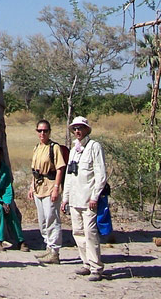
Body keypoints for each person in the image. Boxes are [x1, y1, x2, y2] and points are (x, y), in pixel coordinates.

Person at [61, 115, 107, 282]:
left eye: (80, 128)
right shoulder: (74, 150)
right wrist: (65, 198)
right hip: (74, 199)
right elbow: (69, 176)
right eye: (75, 128)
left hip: (88, 200)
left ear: (87, 129)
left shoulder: (94, 147)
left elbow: (101, 174)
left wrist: (95, 196)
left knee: (90, 233)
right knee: (78, 232)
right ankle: (86, 263)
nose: (77, 131)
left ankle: (96, 267)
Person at [28, 119, 66, 264]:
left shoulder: (54, 147)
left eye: (45, 130)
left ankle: (55, 252)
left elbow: (60, 168)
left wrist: (56, 188)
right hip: (39, 187)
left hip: (50, 187)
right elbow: (34, 169)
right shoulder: (37, 147)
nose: (42, 133)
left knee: (52, 218)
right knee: (43, 220)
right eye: (40, 130)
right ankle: (48, 248)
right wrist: (32, 186)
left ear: (49, 132)